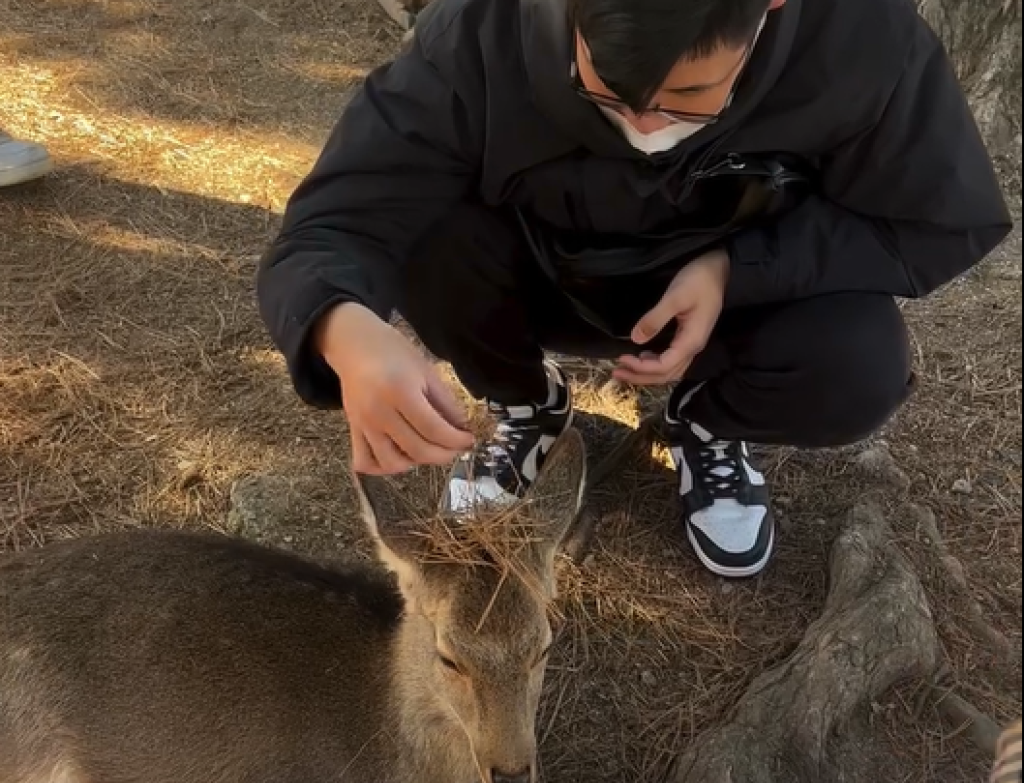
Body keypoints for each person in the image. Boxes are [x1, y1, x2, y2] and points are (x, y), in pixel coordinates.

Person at [257, 0, 1012, 578]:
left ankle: (709, 424)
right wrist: (346, 332)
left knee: (859, 364)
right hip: (539, 277)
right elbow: (335, 218)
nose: (647, 127)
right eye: (607, 89)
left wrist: (737, 270)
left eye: (690, 95)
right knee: (423, 231)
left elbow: (942, 224)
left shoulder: (866, 43)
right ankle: (524, 401)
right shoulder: (481, 29)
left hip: (731, 303)